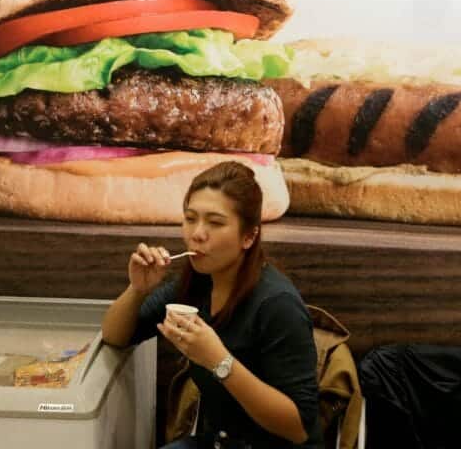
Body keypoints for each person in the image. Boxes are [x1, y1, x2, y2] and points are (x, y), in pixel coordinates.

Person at [102, 161, 321, 449]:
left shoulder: (277, 304)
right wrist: (137, 289)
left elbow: (299, 428)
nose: (197, 233)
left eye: (215, 223)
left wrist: (219, 360)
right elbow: (114, 336)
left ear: (249, 236)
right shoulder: (199, 283)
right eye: (190, 218)